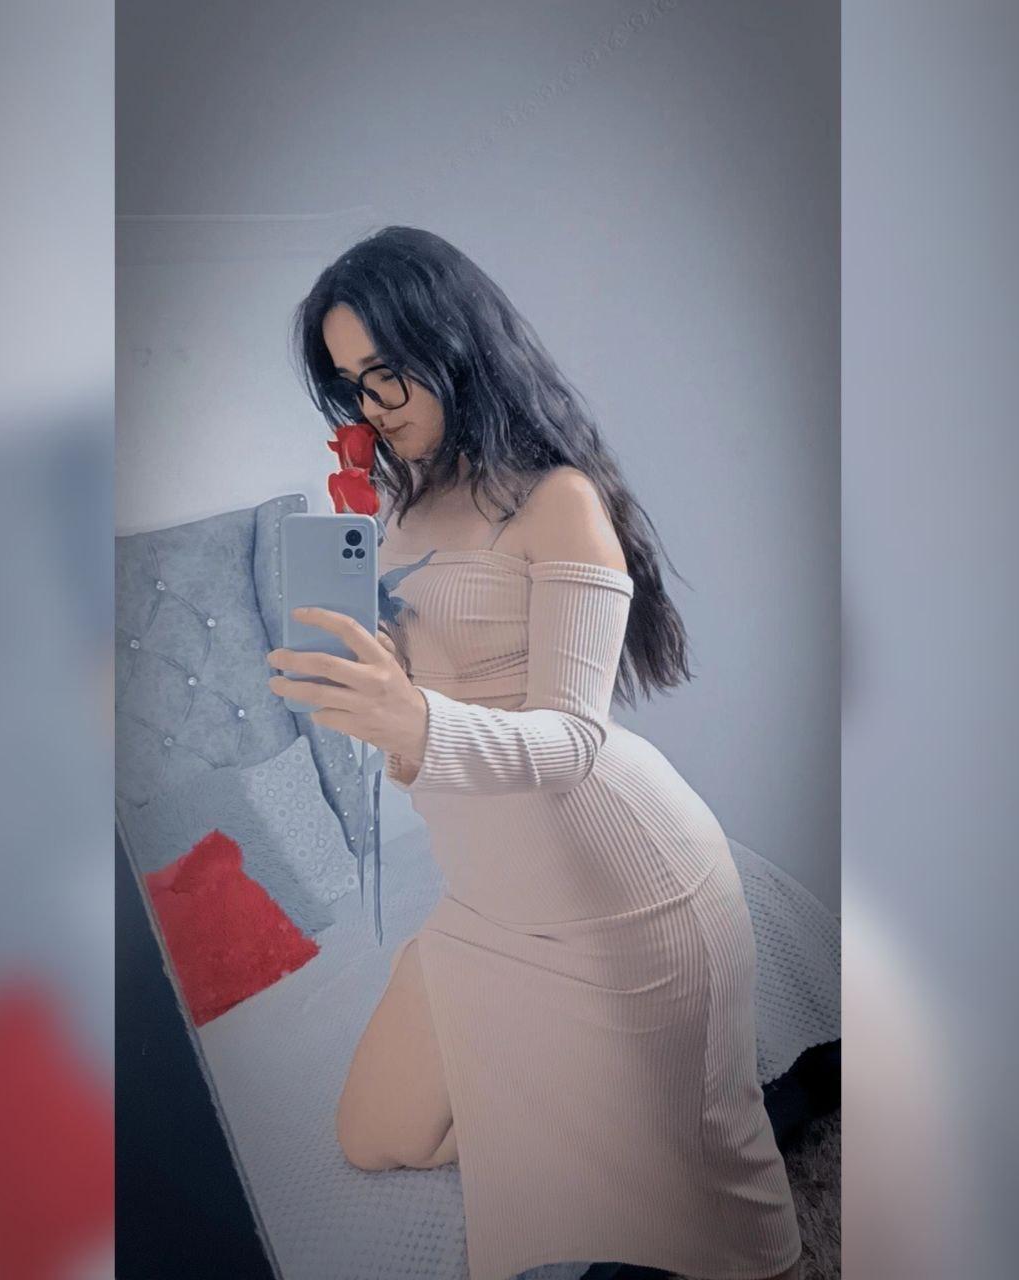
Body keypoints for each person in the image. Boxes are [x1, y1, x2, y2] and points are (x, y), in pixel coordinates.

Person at [267, 226, 803, 1280]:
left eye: (389, 370)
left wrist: (415, 721)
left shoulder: (556, 498)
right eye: (352, 383)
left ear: (455, 341)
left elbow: (572, 737)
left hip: (618, 888)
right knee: (372, 1132)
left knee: (720, 1206)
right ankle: (563, 1123)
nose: (374, 405)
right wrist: (384, 685)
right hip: (488, 901)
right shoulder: (398, 505)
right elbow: (433, 702)